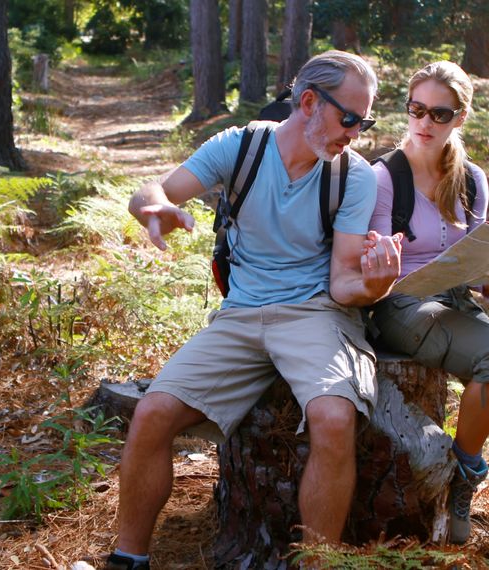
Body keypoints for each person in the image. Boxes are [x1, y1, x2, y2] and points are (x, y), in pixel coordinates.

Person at [108, 50, 402, 570]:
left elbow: (341, 283)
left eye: (365, 121)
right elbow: (153, 188)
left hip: (317, 315)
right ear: (308, 102)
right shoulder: (240, 147)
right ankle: (128, 558)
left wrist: (376, 286)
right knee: (152, 413)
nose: (354, 134)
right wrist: (151, 207)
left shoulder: (352, 177)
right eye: (349, 119)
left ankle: (318, 564)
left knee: (333, 417)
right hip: (241, 314)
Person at [367, 61, 489, 564]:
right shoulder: (382, 177)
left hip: (455, 303)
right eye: (416, 109)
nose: (425, 122)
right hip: (400, 305)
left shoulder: (471, 179)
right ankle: (466, 467)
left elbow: (472, 260)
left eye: (440, 112)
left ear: (460, 118)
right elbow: (367, 263)